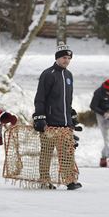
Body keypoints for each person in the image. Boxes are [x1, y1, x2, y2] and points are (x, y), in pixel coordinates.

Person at [32, 42, 82, 190]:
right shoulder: (48, 74)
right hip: (50, 123)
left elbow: (67, 99)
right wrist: (40, 117)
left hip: (65, 123)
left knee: (67, 152)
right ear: (58, 58)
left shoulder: (69, 75)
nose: (66, 60)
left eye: (69, 58)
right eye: (64, 57)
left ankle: (69, 180)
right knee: (47, 152)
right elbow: (40, 97)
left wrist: (71, 114)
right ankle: (44, 180)